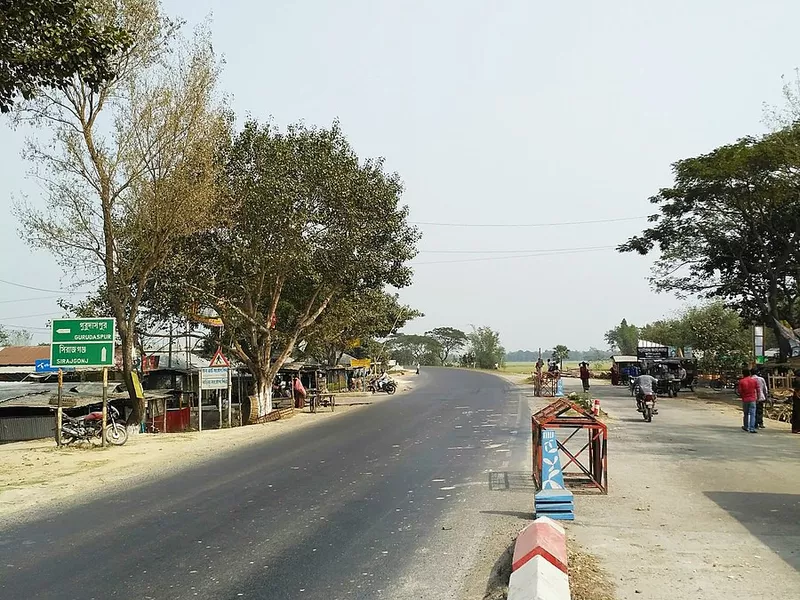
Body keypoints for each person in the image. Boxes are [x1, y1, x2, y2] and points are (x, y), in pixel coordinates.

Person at [737, 368, 759, 433]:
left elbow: (740, 391)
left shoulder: (741, 381)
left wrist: (742, 396)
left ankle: (746, 426)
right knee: (753, 414)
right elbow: (758, 390)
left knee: (746, 413)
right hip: (752, 399)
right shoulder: (754, 381)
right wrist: (758, 398)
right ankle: (752, 428)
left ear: (743, 374)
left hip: (745, 399)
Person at [792, 370, 800, 434]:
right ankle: (797, 428)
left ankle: (795, 428)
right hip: (797, 400)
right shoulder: (797, 381)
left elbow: (796, 391)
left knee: (796, 414)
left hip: (796, 400)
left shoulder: (797, 381)